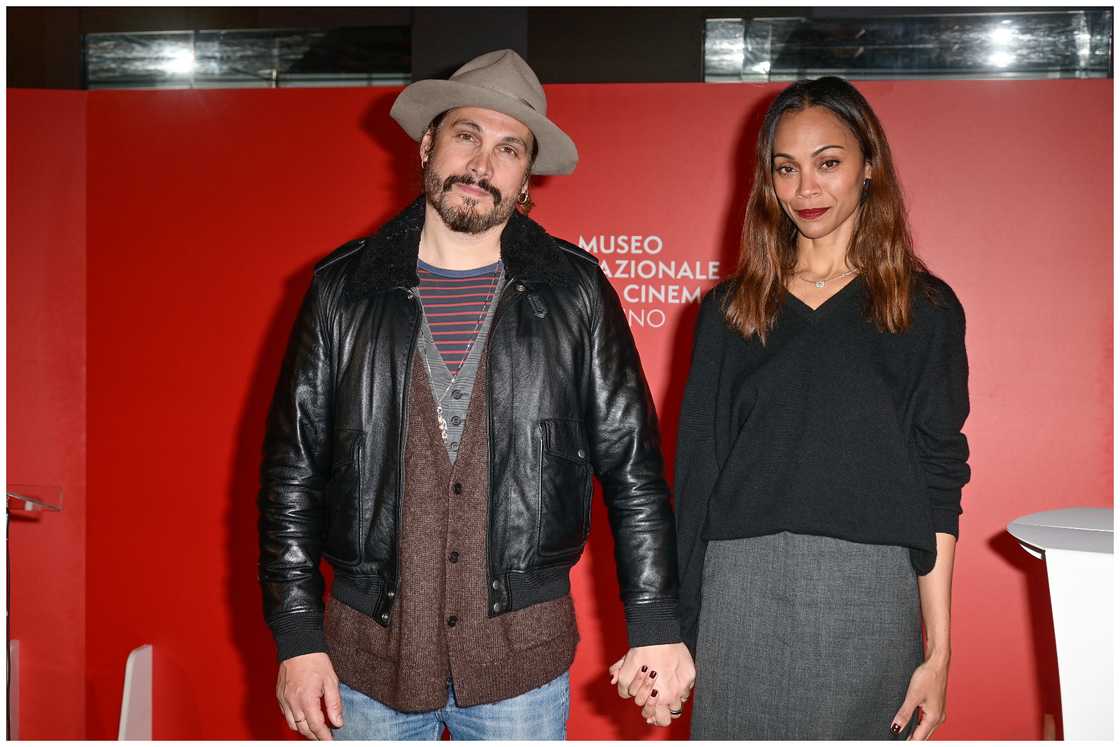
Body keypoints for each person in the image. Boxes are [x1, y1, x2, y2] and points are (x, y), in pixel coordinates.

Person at [257, 49, 694, 741]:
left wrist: (657, 624)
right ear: (428, 144)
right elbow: (293, 474)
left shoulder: (576, 292)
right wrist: (297, 634)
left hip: (521, 665)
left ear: (527, 177)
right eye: (467, 135)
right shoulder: (342, 290)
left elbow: (633, 468)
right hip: (363, 662)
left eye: (509, 149)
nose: (482, 164)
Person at [672, 76, 970, 740]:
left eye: (828, 162)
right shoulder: (728, 312)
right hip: (739, 591)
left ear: (868, 165)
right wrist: (676, 632)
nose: (806, 188)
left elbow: (939, 484)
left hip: (870, 592)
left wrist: (940, 651)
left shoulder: (925, 310)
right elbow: (695, 481)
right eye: (786, 168)